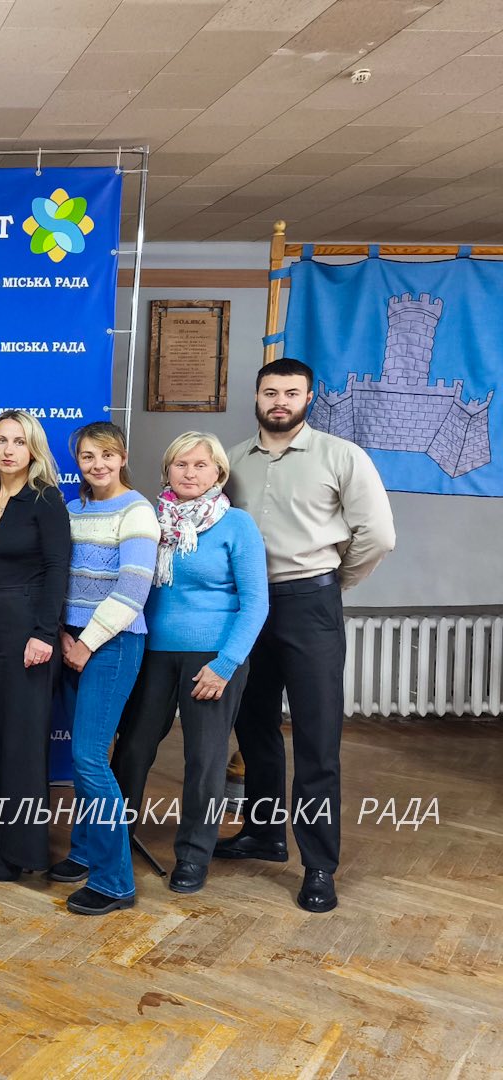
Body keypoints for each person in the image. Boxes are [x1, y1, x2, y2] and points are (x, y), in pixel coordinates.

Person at [219, 358, 395, 913]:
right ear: (256, 396)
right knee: (253, 725)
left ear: (308, 398)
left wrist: (332, 583)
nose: (280, 402)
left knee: (317, 738)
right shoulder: (232, 461)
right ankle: (263, 833)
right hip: (246, 607)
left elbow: (378, 534)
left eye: (291, 393)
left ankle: (319, 865)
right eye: (270, 392)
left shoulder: (342, 456)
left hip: (310, 603)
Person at [110, 432, 268, 895]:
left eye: (201, 465)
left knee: (205, 758)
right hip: (151, 652)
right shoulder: (149, 519)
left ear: (218, 472)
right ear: (167, 471)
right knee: (133, 748)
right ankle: (113, 840)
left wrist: (226, 664)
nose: (190, 473)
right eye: (180, 464)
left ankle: (194, 855)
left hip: (213, 658)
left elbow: (256, 603)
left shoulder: (236, 524)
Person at [49, 421, 160, 916]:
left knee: (91, 758)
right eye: (88, 456)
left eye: (107, 455)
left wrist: (87, 643)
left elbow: (133, 590)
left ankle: (115, 882)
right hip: (71, 641)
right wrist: (62, 634)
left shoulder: (137, 511)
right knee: (81, 760)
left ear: (122, 457)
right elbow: (59, 581)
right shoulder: (72, 510)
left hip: (112, 643)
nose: (98, 465)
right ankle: (85, 851)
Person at [0, 410, 70, 881]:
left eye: (19, 441)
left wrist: (45, 634)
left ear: (33, 450)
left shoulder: (46, 500)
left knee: (23, 744)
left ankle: (23, 853)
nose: (9, 450)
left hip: (29, 632)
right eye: (2, 441)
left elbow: (57, 569)